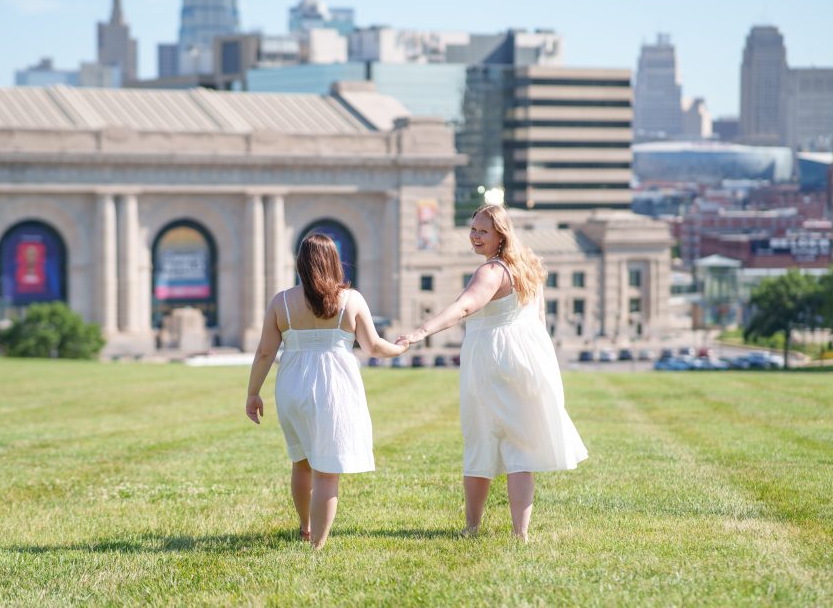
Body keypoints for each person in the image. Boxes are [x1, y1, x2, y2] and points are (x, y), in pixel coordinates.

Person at [396, 204, 587, 541]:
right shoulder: (527, 268)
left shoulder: (491, 272)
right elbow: (538, 322)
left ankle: (472, 527)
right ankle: (520, 534)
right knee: (519, 447)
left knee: (481, 440)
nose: (475, 236)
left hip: (493, 360)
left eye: (482, 231)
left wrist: (421, 332)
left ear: (501, 234)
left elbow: (464, 307)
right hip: (527, 360)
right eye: (472, 229)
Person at [245, 233, 407, 549]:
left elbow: (265, 352)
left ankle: (305, 528)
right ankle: (317, 545)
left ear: (301, 263)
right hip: (334, 387)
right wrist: (400, 348)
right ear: (334, 262)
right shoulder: (352, 300)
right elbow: (374, 346)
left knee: (301, 461)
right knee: (327, 472)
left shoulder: (281, 302)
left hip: (291, 386)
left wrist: (253, 393)